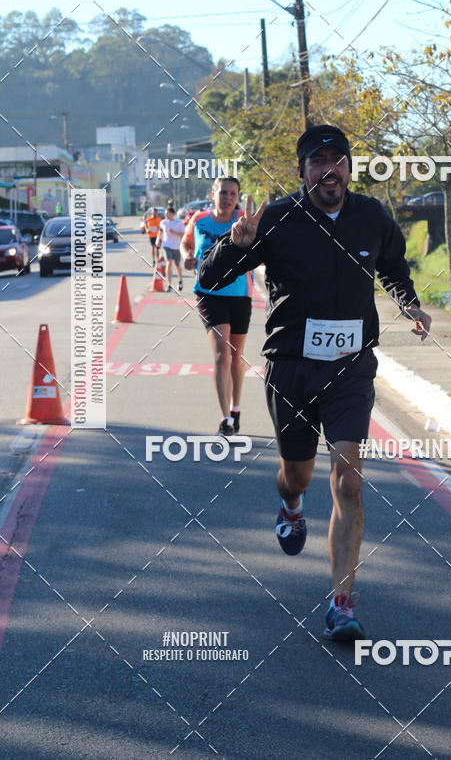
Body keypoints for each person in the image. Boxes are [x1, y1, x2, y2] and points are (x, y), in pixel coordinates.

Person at [199, 124, 431, 640]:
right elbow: (210, 278)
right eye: (318, 161)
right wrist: (234, 245)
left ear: (349, 166)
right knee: (298, 473)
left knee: (348, 478)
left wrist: (409, 302)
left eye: (338, 159)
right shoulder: (277, 219)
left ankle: (342, 602)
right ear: (303, 171)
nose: (330, 169)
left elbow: (393, 266)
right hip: (291, 368)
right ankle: (290, 502)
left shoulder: (370, 216)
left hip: (350, 366)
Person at [181, 177, 253, 437]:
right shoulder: (199, 220)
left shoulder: (245, 218)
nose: (228, 197)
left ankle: (236, 408)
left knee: (236, 356)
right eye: (223, 192)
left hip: (240, 293)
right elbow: (187, 244)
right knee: (222, 353)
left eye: (233, 193)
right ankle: (225, 419)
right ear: (214, 194)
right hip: (208, 294)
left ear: (238, 196)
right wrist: (186, 256)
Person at [156, 206, 185, 291]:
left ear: (172, 214)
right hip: (166, 245)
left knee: (177, 265)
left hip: (176, 246)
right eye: (165, 214)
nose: (165, 215)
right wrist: (158, 240)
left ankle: (180, 280)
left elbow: (183, 235)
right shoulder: (163, 222)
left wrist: (174, 232)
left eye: (167, 213)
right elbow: (160, 232)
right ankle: (169, 285)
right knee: (169, 263)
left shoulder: (179, 222)